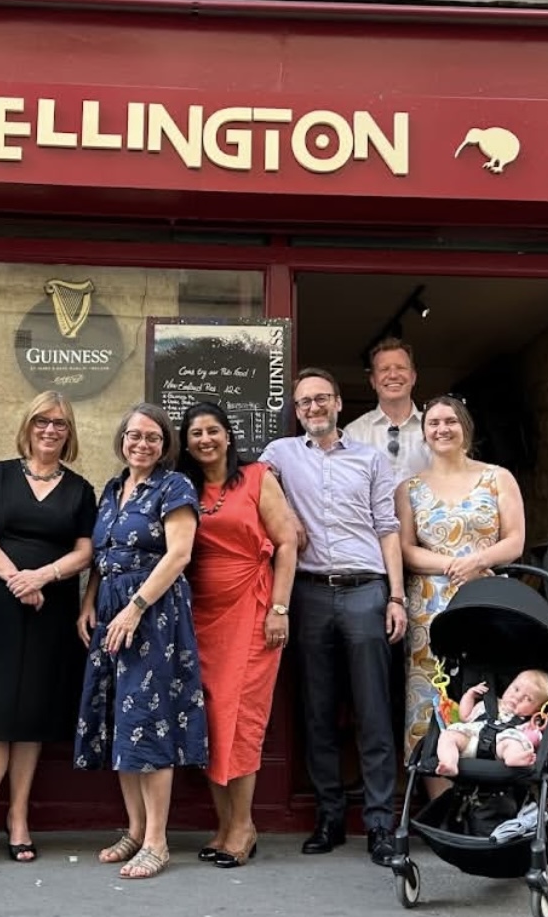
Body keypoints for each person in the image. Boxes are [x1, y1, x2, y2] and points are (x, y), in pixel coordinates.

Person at [259, 368, 407, 868]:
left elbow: (388, 529)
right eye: (304, 402)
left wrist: (397, 597)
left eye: (322, 398)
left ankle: (381, 824)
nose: (314, 408)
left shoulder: (370, 459)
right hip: (309, 594)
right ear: (296, 410)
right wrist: (290, 520)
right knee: (317, 710)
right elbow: (254, 497)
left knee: (372, 711)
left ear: (339, 403)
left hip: (367, 590)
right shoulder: (279, 455)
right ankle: (330, 817)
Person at [0, 391, 96, 870]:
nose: (50, 430)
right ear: (28, 426)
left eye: (60, 424)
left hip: (50, 609)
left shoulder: (79, 489)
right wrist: (17, 578)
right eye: (42, 422)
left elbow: (85, 550)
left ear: (69, 432)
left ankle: (17, 818)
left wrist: (44, 577)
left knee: (31, 711)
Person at [75, 402, 206, 880]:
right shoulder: (112, 489)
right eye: (135, 436)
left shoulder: (175, 486)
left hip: (151, 614)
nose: (143, 444)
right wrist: (90, 602)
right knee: (118, 719)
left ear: (165, 444)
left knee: (148, 720)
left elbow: (178, 556)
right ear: (122, 440)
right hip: (110, 610)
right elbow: (102, 555)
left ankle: (157, 840)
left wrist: (135, 609)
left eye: (153, 437)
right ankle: (133, 830)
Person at [176, 402, 298, 869]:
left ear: (228, 436)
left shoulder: (256, 477)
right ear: (186, 444)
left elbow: (287, 543)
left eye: (213, 431)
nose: (205, 439)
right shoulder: (182, 487)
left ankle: (244, 826)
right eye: (195, 433)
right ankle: (224, 824)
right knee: (209, 719)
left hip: (253, 608)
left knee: (241, 719)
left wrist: (279, 608)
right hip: (201, 616)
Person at [396, 395, 525, 786]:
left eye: (449, 421)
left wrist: (475, 562)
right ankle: (441, 802)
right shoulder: (410, 488)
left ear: (465, 427)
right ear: (424, 434)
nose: (441, 429)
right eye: (433, 423)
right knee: (432, 699)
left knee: (488, 693)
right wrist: (453, 564)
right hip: (429, 609)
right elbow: (404, 548)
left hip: (485, 602)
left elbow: (515, 540)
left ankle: (489, 797)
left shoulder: (497, 477)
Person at [435, 670, 548, 777]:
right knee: (448, 736)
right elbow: (465, 716)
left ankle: (514, 758)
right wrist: (469, 695)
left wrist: (536, 730)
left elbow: (534, 737)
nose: (517, 697)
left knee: (514, 743)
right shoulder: (487, 704)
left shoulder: (528, 722)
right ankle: (449, 763)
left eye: (528, 699)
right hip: (470, 740)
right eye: (516, 689)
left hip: (500, 750)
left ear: (537, 709)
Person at [344, 338, 428, 484]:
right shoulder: (354, 433)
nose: (393, 375)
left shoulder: (435, 429)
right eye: (384, 369)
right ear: (373, 381)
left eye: (401, 367)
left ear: (413, 377)